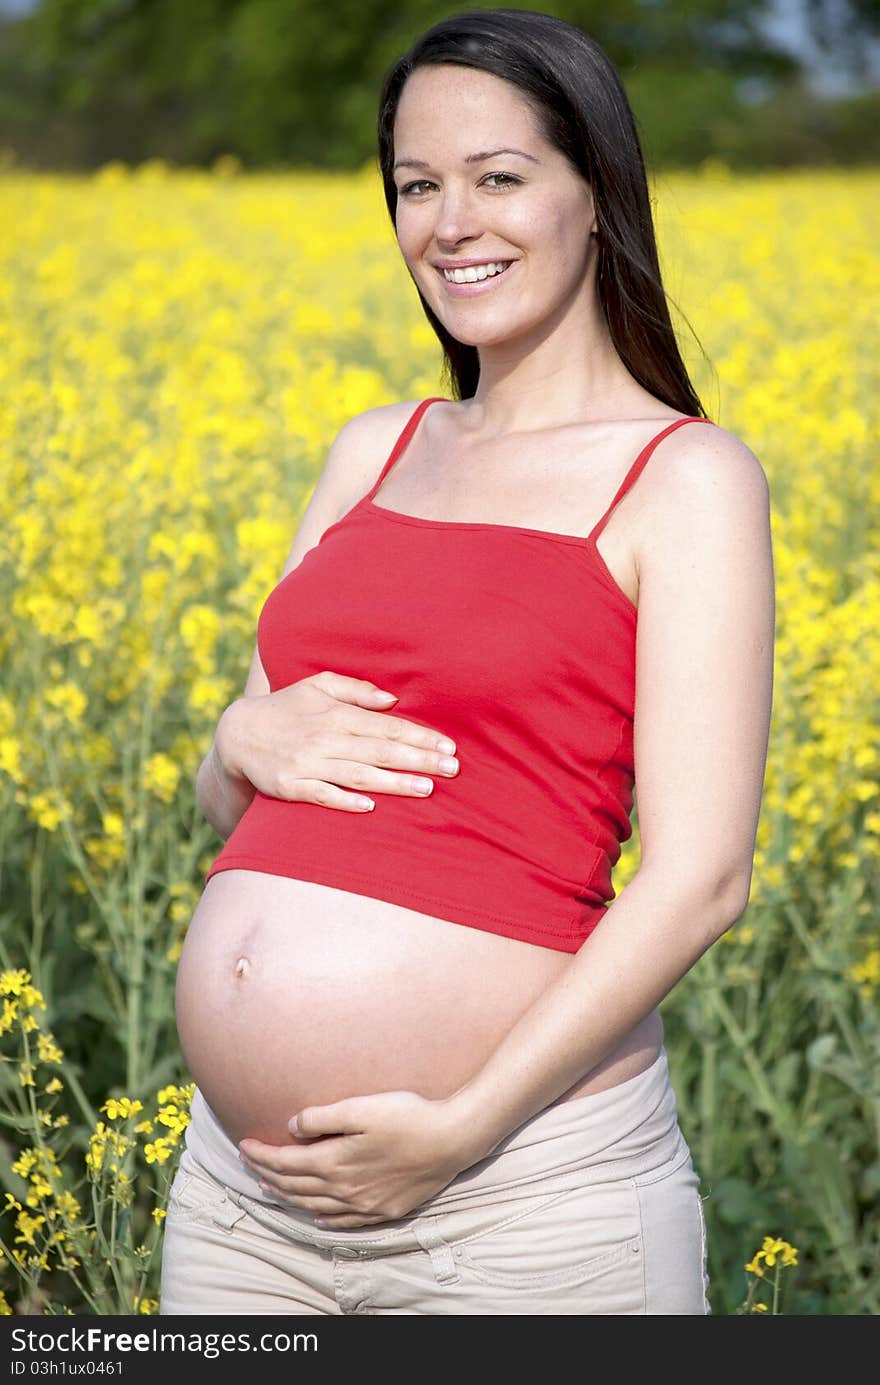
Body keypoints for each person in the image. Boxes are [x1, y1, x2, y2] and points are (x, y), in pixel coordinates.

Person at [159, 7, 774, 1316]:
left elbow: (703, 879)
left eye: (498, 177)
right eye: (417, 186)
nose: (451, 223)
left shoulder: (684, 476)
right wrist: (233, 742)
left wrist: (464, 1124)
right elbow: (246, 797)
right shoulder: (370, 449)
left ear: (596, 193)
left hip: (519, 1198)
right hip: (240, 1204)